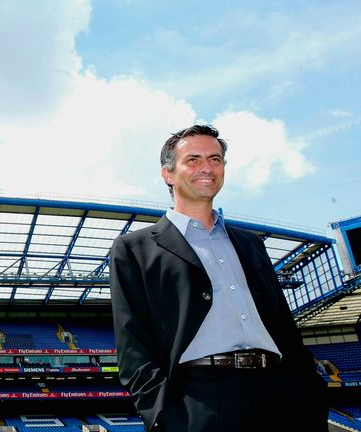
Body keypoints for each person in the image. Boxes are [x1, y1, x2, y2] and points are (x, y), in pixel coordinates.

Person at [110, 125, 328, 431]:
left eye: (215, 159)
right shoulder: (135, 248)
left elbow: (284, 326)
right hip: (201, 401)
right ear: (168, 174)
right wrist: (163, 416)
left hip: (283, 394)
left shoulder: (250, 242)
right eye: (193, 159)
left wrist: (311, 393)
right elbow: (133, 343)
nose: (207, 168)